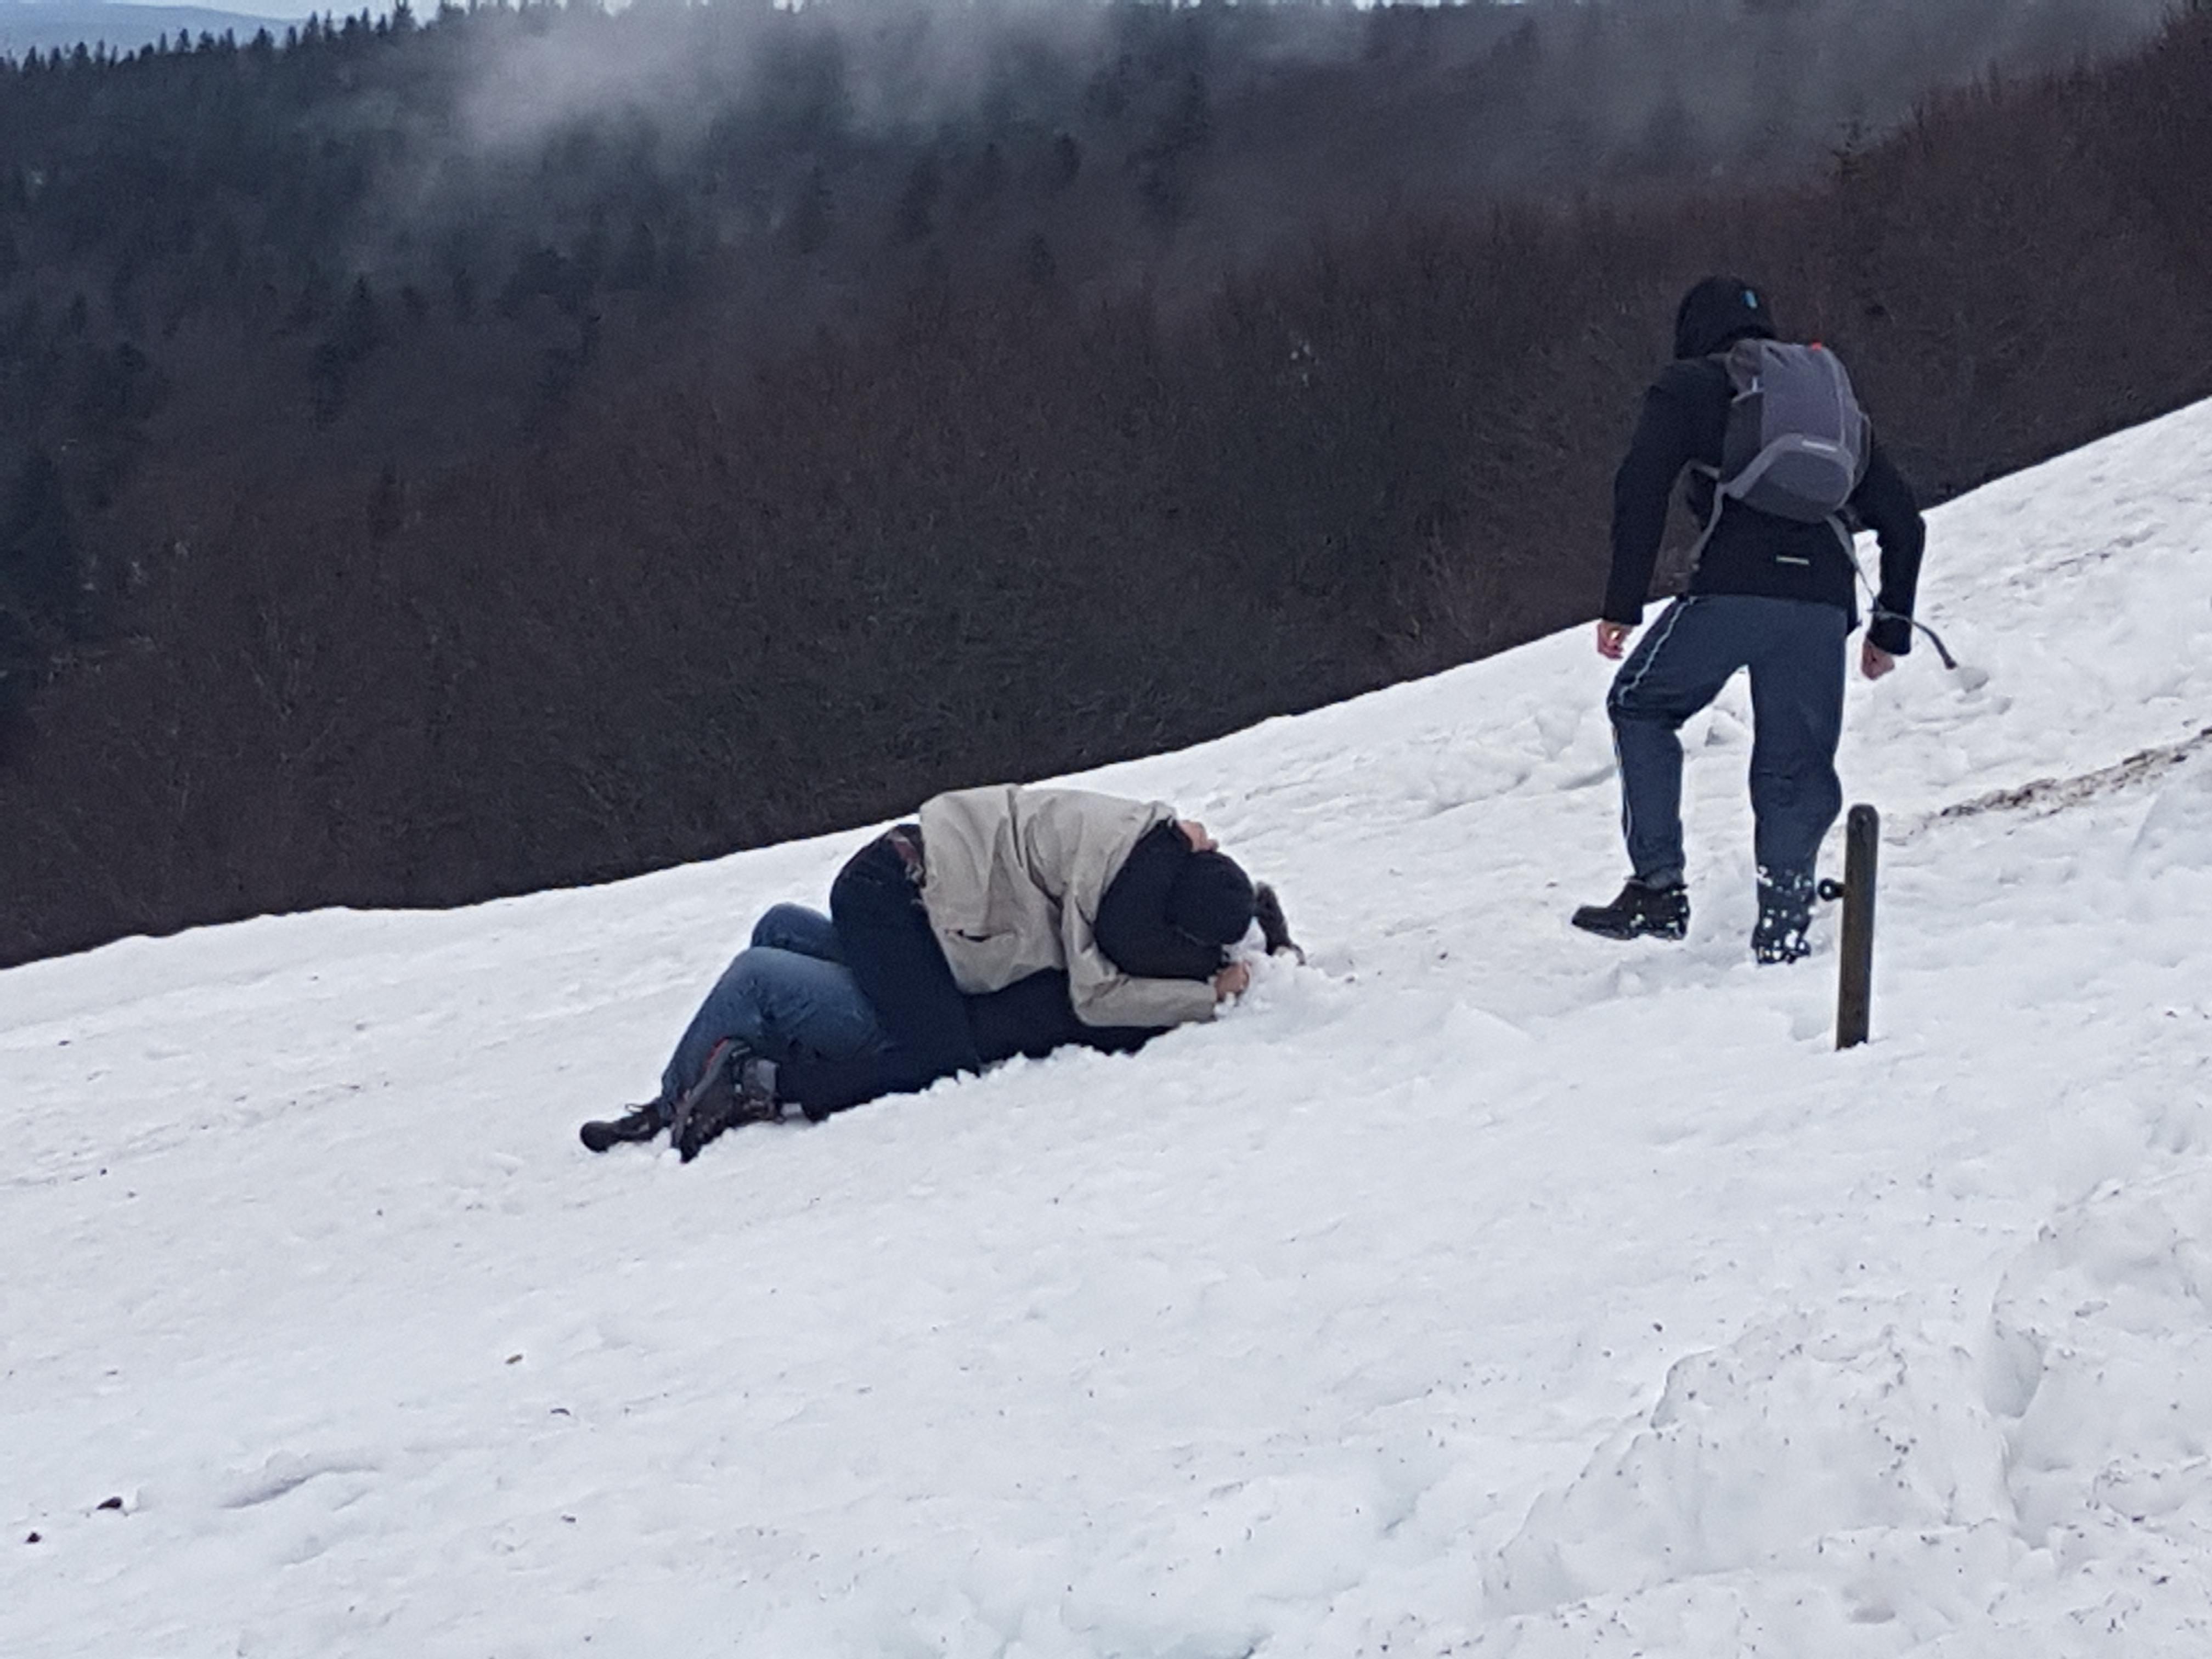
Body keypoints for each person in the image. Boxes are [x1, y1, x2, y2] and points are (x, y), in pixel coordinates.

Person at [580, 789, 1293, 1159]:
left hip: (906, 879)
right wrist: (1206, 995)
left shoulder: (1149, 836)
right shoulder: (1106, 893)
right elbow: (1098, 992)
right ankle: (690, 1095)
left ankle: (779, 960)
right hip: (900, 901)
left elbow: (1193, 905)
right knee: (929, 1048)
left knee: (790, 937)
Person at [1572, 275, 1927, 963]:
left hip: (1732, 591)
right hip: (1823, 605)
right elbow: (1903, 523)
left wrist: (1621, 604)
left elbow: (1640, 487)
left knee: (1642, 706)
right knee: (1794, 767)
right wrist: (1891, 630)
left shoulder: (1689, 386)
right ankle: (1785, 926)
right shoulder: (1826, 401)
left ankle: (1659, 886)